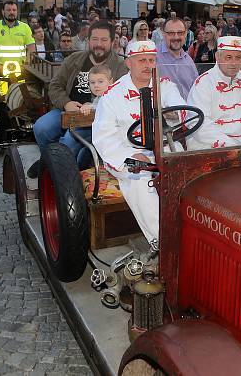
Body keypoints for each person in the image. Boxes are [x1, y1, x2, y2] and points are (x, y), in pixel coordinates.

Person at [92, 40, 188, 245]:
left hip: (164, 147)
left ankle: (194, 231)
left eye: (152, 60)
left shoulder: (166, 86)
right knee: (140, 180)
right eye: (142, 60)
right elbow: (103, 137)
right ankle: (165, 243)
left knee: (188, 173)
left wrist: (174, 115)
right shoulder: (112, 95)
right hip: (127, 152)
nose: (148, 65)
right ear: (129, 63)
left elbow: (182, 111)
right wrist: (130, 156)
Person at [28, 21, 127, 177]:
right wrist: (66, 103)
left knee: (69, 141)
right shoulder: (75, 59)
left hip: (97, 118)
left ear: (112, 41)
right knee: (41, 127)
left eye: (104, 40)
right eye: (95, 39)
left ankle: (61, 175)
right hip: (68, 111)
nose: (98, 44)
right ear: (88, 40)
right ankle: (50, 162)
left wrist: (99, 107)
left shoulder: (120, 65)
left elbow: (123, 96)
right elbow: (55, 86)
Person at [187, 35, 241, 150]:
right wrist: (233, 145)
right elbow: (198, 123)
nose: (234, 63)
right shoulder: (203, 83)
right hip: (208, 148)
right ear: (217, 57)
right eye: (228, 57)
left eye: (238, 57)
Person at [0, 0, 35, 80]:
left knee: (19, 92)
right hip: (0, 70)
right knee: (3, 92)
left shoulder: (25, 27)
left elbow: (31, 48)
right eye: (8, 10)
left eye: (14, 10)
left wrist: (27, 63)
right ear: (3, 12)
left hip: (20, 70)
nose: (12, 12)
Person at [156, 18, 199, 99]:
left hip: (189, 109)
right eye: (171, 33)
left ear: (185, 34)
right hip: (163, 111)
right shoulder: (153, 58)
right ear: (163, 34)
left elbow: (196, 91)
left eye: (180, 33)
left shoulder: (189, 61)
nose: (176, 37)